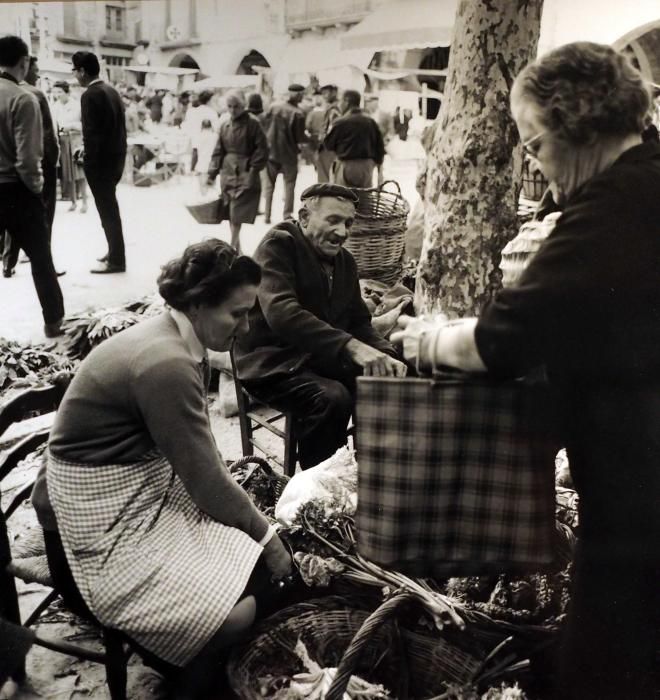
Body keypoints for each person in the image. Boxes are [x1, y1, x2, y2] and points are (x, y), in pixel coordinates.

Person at [393, 42, 660, 700]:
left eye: (534, 143)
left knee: (599, 669)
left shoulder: (610, 211)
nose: (533, 165)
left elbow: (499, 341)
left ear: (577, 127)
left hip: (639, 501)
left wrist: (425, 341)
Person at [35, 240, 292, 698]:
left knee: (251, 570)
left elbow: (200, 463)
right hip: (91, 539)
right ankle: (186, 675)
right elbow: (208, 482)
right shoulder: (165, 362)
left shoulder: (173, 340)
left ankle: (186, 660)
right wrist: (269, 540)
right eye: (236, 314)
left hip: (129, 502)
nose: (246, 325)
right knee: (248, 598)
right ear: (196, 303)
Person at [234, 183, 407, 469]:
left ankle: (370, 472)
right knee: (332, 398)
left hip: (317, 358)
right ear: (304, 218)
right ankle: (317, 489)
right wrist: (350, 346)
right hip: (273, 364)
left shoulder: (345, 262)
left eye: (348, 222)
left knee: (381, 381)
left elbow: (359, 322)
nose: (342, 231)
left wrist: (386, 354)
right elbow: (283, 314)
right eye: (333, 220)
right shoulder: (278, 246)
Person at [0, 36, 65, 337]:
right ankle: (53, 322)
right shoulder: (22, 98)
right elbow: (28, 158)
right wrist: (37, 187)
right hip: (16, 190)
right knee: (41, 257)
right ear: (23, 62)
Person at [2, 56, 62, 278]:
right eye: (35, 69)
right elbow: (48, 135)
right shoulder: (33, 95)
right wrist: (51, 163)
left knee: (11, 219)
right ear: (24, 66)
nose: (37, 74)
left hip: (8, 172)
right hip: (33, 167)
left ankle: (8, 262)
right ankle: (48, 273)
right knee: (42, 219)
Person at [72, 51, 127, 274]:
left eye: (75, 71)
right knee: (110, 210)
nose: (75, 75)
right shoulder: (111, 91)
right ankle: (115, 252)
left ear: (83, 71)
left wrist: (86, 158)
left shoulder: (89, 95)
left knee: (108, 212)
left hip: (100, 164)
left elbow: (91, 135)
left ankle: (116, 259)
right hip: (116, 160)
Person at [206, 90, 268, 254]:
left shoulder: (253, 124)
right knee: (230, 214)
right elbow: (218, 150)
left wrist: (253, 171)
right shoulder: (225, 124)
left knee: (236, 214)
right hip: (228, 173)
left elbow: (262, 149)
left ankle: (231, 250)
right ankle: (237, 250)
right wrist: (211, 174)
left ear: (244, 106)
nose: (233, 110)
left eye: (237, 107)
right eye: (230, 107)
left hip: (245, 173)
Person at [262, 83, 307, 223]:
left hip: (271, 153)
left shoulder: (273, 107)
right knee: (289, 185)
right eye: (301, 94)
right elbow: (300, 138)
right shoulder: (298, 113)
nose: (302, 97)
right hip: (289, 154)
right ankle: (287, 215)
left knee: (269, 186)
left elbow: (264, 126)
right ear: (297, 95)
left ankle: (267, 216)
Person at [323, 89, 385, 188]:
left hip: (346, 166)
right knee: (364, 199)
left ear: (346, 102)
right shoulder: (370, 122)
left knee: (344, 199)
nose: (339, 105)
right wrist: (379, 171)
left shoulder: (340, 122)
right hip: (366, 167)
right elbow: (380, 148)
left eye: (341, 101)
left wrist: (329, 124)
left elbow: (328, 145)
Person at [50, 80, 88, 214]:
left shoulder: (77, 105)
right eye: (55, 92)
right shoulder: (54, 106)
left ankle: (84, 202)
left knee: (80, 172)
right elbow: (54, 125)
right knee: (68, 173)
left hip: (76, 139)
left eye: (60, 92)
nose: (57, 95)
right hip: (63, 140)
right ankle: (73, 201)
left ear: (66, 92)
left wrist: (71, 126)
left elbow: (84, 124)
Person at [182, 90, 219, 173]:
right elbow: (216, 128)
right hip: (207, 141)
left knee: (195, 159)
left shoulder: (193, 111)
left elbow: (187, 125)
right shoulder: (211, 112)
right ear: (209, 100)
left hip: (195, 139)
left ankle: (193, 171)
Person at [316, 83, 341, 183]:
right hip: (331, 147)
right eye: (323, 94)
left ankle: (325, 197)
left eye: (326, 93)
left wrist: (323, 140)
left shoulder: (334, 109)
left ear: (334, 92)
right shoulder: (332, 107)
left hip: (329, 147)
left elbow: (332, 129)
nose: (324, 96)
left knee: (325, 178)